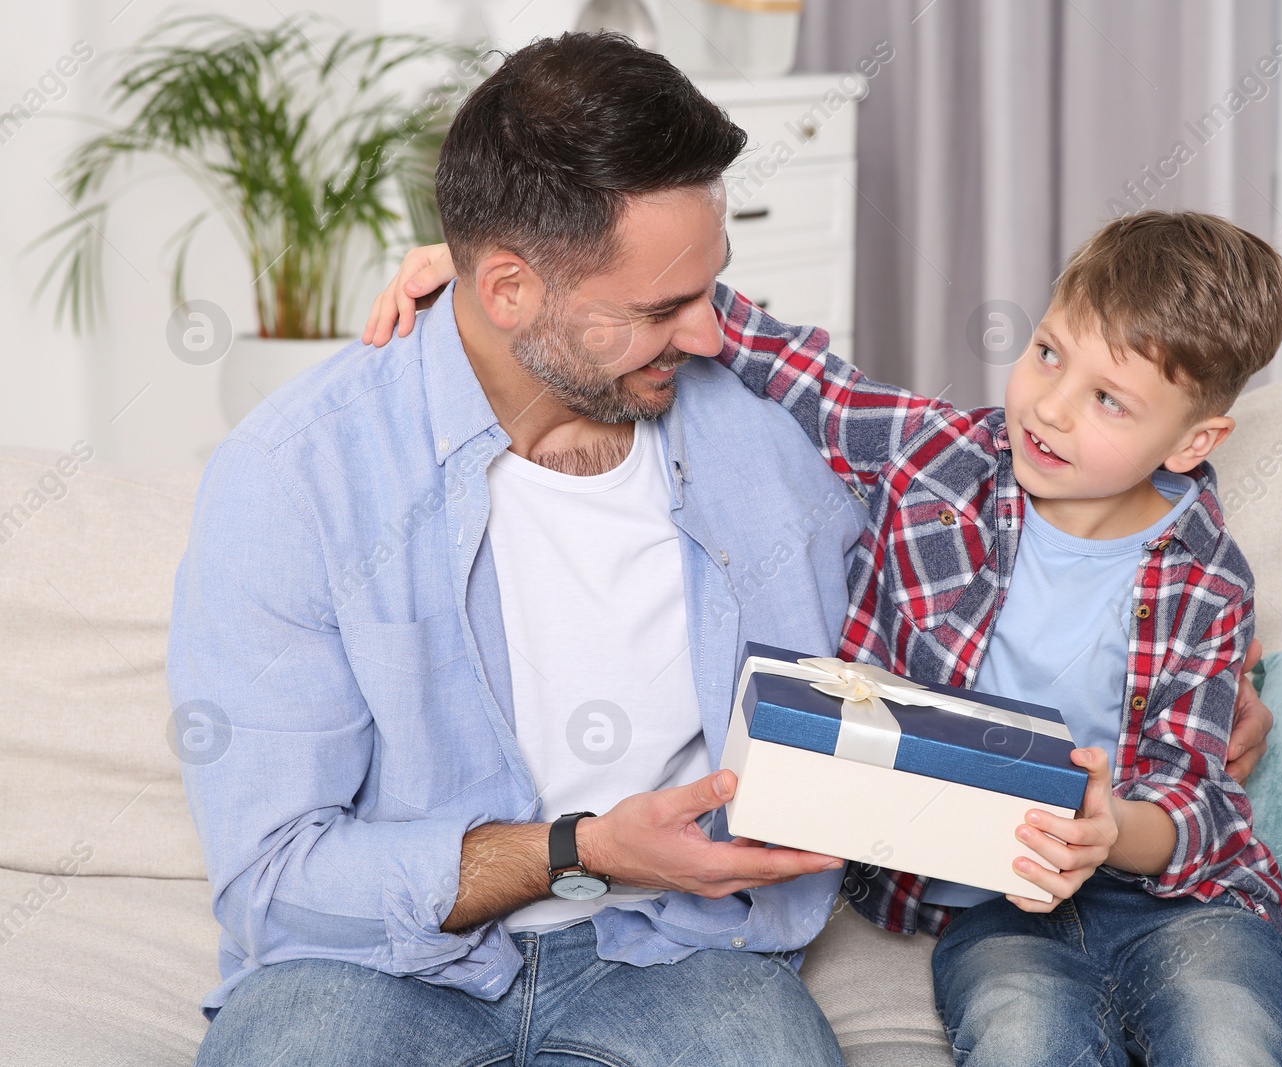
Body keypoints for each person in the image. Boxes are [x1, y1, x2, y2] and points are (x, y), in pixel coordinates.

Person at [369, 209, 1282, 1065]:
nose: (1052, 407)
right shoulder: (937, 460)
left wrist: (1109, 832)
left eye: (1110, 400)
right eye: (1050, 354)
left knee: (1223, 1029)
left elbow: (1197, 796)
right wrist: (516, 276)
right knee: (1023, 1037)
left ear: (1191, 442)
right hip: (992, 911)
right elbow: (779, 356)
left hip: (1182, 901)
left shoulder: (1208, 576)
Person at [170, 33, 867, 1067]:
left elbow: (1000, 485)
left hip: (679, 951)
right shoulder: (295, 475)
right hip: (373, 967)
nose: (716, 336)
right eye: (661, 307)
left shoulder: (765, 443)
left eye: (713, 289)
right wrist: (580, 851)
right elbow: (275, 879)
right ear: (507, 290)